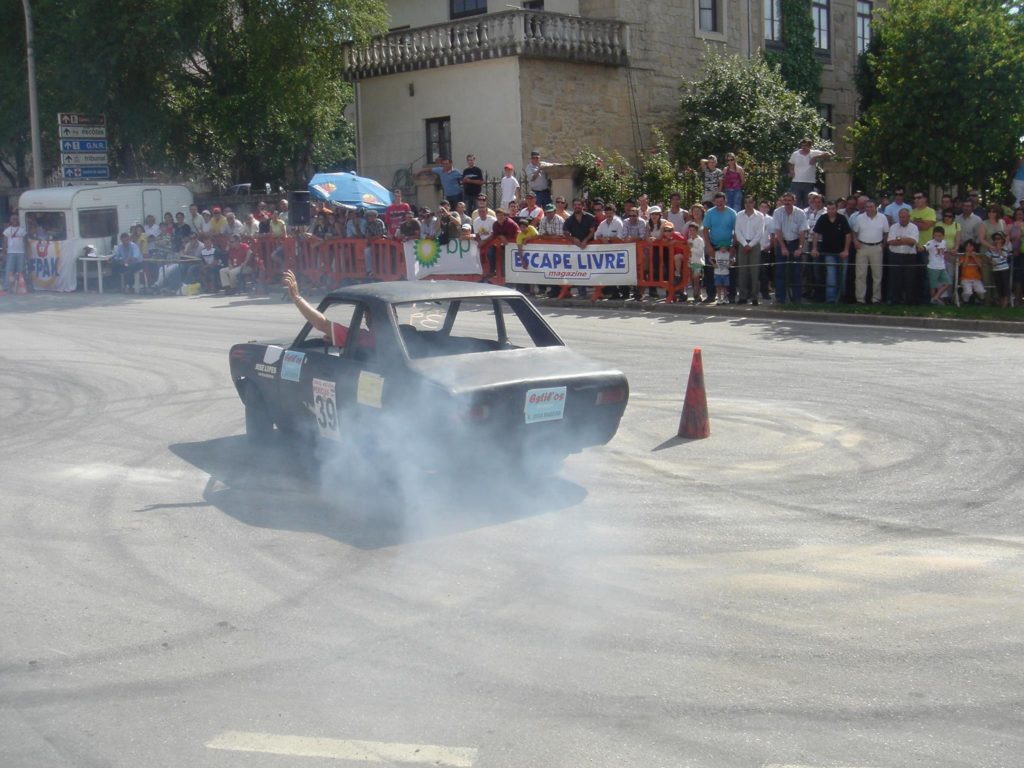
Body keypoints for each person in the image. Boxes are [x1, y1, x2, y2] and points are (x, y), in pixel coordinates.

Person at [282, 269, 374, 349]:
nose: (365, 322)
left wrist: (297, 298)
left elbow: (322, 324)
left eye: (367, 317)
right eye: (365, 317)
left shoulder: (363, 338)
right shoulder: (383, 340)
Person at [811, 198, 853, 304]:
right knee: (831, 275)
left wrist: (846, 250)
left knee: (842, 276)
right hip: (828, 252)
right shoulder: (823, 218)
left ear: (836, 208)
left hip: (842, 253)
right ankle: (831, 299)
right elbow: (816, 234)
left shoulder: (842, 219)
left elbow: (848, 235)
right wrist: (814, 248)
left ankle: (841, 297)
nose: (831, 211)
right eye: (829, 209)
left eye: (833, 208)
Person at [771, 192, 807, 304]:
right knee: (780, 271)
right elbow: (778, 231)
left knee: (796, 271)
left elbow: (802, 232)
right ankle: (780, 298)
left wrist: (800, 248)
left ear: (794, 201)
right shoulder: (778, 212)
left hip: (795, 241)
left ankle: (797, 298)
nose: (787, 202)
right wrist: (782, 247)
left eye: (789, 200)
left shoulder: (800, 213)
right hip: (782, 241)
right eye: (785, 200)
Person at [852, 199, 888, 304]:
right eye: (867, 207)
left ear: (876, 207)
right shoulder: (859, 218)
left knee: (877, 275)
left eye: (871, 206)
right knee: (860, 274)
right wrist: (855, 241)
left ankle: (876, 298)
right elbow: (854, 232)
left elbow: (886, 232)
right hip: (862, 247)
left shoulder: (882, 217)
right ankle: (860, 299)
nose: (869, 209)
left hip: (877, 247)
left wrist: (883, 245)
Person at [733, 195, 765, 304]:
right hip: (742, 244)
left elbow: (760, 233)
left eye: (750, 202)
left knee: (754, 271)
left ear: (754, 203)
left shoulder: (759, 216)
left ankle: (754, 297)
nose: (748, 204)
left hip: (754, 244)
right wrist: (744, 244)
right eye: (746, 202)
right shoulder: (739, 215)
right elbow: (737, 231)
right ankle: (743, 296)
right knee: (742, 271)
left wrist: (750, 245)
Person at [887, 208, 921, 305]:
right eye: (900, 217)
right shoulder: (893, 227)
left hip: (909, 257)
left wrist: (899, 240)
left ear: (909, 217)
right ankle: (895, 300)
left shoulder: (914, 227)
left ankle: (909, 301)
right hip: (895, 256)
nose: (902, 219)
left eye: (904, 217)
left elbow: (913, 241)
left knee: (910, 280)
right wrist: (905, 240)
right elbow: (890, 241)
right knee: (895, 279)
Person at [788, 138, 833, 206]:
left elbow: (829, 154)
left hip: (809, 182)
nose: (804, 147)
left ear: (809, 146)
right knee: (796, 202)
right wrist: (791, 170)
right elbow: (791, 163)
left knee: (808, 203)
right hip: (796, 181)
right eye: (802, 145)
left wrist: (816, 157)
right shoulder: (795, 154)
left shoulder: (813, 153)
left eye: (805, 146)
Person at [923, 225, 951, 305]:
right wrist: (921, 248)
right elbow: (925, 247)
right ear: (933, 235)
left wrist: (949, 253)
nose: (937, 237)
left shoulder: (944, 242)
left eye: (939, 236)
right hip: (933, 267)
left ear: (943, 236)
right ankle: (933, 300)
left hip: (942, 266)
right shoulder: (930, 242)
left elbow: (944, 253)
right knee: (933, 285)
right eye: (935, 235)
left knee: (948, 283)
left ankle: (936, 297)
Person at [3, 213, 27, 293]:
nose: (15, 220)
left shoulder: (22, 230)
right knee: (9, 270)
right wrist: (3, 253)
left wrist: (26, 253)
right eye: (13, 219)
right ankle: (7, 287)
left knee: (20, 271)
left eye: (16, 219)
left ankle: (20, 287)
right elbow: (4, 242)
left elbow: (25, 242)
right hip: (11, 253)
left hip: (21, 253)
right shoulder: (7, 230)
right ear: (10, 220)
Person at [987, 232, 1011, 308]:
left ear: (1002, 240)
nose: (996, 240)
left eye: (998, 239)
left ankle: (1006, 302)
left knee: (1005, 286)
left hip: (1004, 269)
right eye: (995, 239)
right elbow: (989, 258)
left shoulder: (1005, 248)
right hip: (996, 270)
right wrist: (991, 262)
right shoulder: (991, 248)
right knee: (999, 286)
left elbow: (1003, 257)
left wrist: (999, 250)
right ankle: (1000, 301)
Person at [959, 240, 987, 305]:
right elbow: (963, 266)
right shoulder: (962, 256)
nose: (969, 248)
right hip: (965, 278)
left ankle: (980, 301)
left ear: (973, 247)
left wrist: (974, 257)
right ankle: (965, 301)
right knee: (968, 292)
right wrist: (967, 257)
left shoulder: (977, 255)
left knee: (981, 291)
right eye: (967, 246)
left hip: (976, 278)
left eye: (970, 246)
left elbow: (980, 265)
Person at [1008, 206, 1024, 306]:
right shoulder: (1010, 226)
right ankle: (1016, 298)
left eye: (1021, 214)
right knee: (1017, 276)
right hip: (1014, 253)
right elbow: (1007, 238)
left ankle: (1021, 298)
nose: (1019, 216)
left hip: (1023, 253)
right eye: (1017, 214)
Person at [686, 221, 705, 303]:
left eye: (693, 230)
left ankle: (697, 294)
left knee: (696, 278)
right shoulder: (689, 240)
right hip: (691, 262)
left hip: (698, 262)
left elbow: (700, 252)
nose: (692, 232)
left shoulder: (700, 240)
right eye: (690, 230)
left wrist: (691, 248)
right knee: (693, 279)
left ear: (697, 231)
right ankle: (697, 294)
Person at [713, 240, 735, 305]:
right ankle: (719, 298)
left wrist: (730, 265)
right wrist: (714, 264)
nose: (723, 249)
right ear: (719, 248)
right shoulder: (716, 253)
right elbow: (710, 258)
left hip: (726, 273)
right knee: (718, 286)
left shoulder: (728, 254)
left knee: (725, 286)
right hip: (717, 273)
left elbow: (733, 260)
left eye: (725, 248)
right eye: (722, 248)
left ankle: (725, 298)